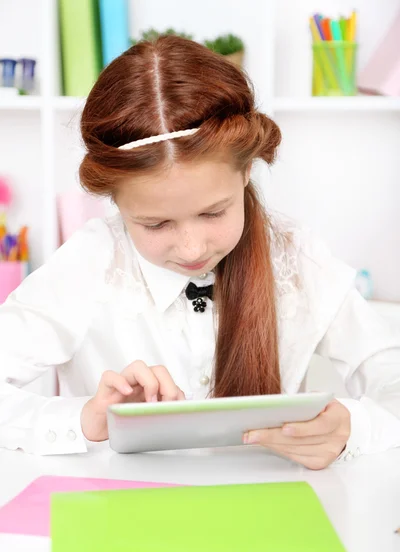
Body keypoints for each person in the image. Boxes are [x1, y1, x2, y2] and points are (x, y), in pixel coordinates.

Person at [0, 37, 399, 469]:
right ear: (114, 201)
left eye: (213, 212)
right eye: (156, 224)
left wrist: (350, 428)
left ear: (247, 171)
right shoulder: (88, 264)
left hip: (271, 518)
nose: (192, 248)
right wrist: (84, 419)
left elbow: (388, 372)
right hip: (125, 518)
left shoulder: (296, 258)